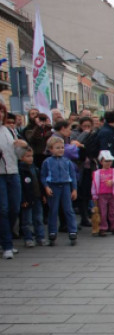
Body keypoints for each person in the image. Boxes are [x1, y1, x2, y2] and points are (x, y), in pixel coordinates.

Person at [40, 137, 78, 245]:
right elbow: (43, 176)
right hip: (53, 186)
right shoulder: (47, 162)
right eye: (57, 148)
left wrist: (74, 189)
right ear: (51, 149)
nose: (60, 150)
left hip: (66, 186)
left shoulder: (68, 161)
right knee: (53, 210)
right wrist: (46, 187)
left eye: (62, 147)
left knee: (68, 209)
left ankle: (72, 231)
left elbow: (73, 176)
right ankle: (52, 232)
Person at [1, 103, 21, 259]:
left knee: (15, 207)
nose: (1, 115)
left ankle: (4, 238)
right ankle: (7, 244)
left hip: (13, 172)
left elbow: (19, 153)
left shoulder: (8, 130)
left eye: (2, 112)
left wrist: (22, 146)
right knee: (4, 209)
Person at [16, 145, 46, 247]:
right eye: (27, 156)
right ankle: (28, 238)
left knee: (38, 218)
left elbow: (39, 183)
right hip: (27, 199)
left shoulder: (35, 168)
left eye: (31, 156)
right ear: (21, 158)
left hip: (37, 197)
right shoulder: (21, 170)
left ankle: (40, 237)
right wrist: (22, 199)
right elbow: (20, 187)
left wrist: (43, 195)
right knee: (27, 221)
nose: (31, 158)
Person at [91, 151, 114, 236]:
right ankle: (102, 228)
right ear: (101, 162)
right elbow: (94, 185)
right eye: (106, 161)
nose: (108, 163)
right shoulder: (97, 173)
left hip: (112, 195)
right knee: (102, 212)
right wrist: (94, 195)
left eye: (110, 161)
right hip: (101, 195)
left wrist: (113, 182)